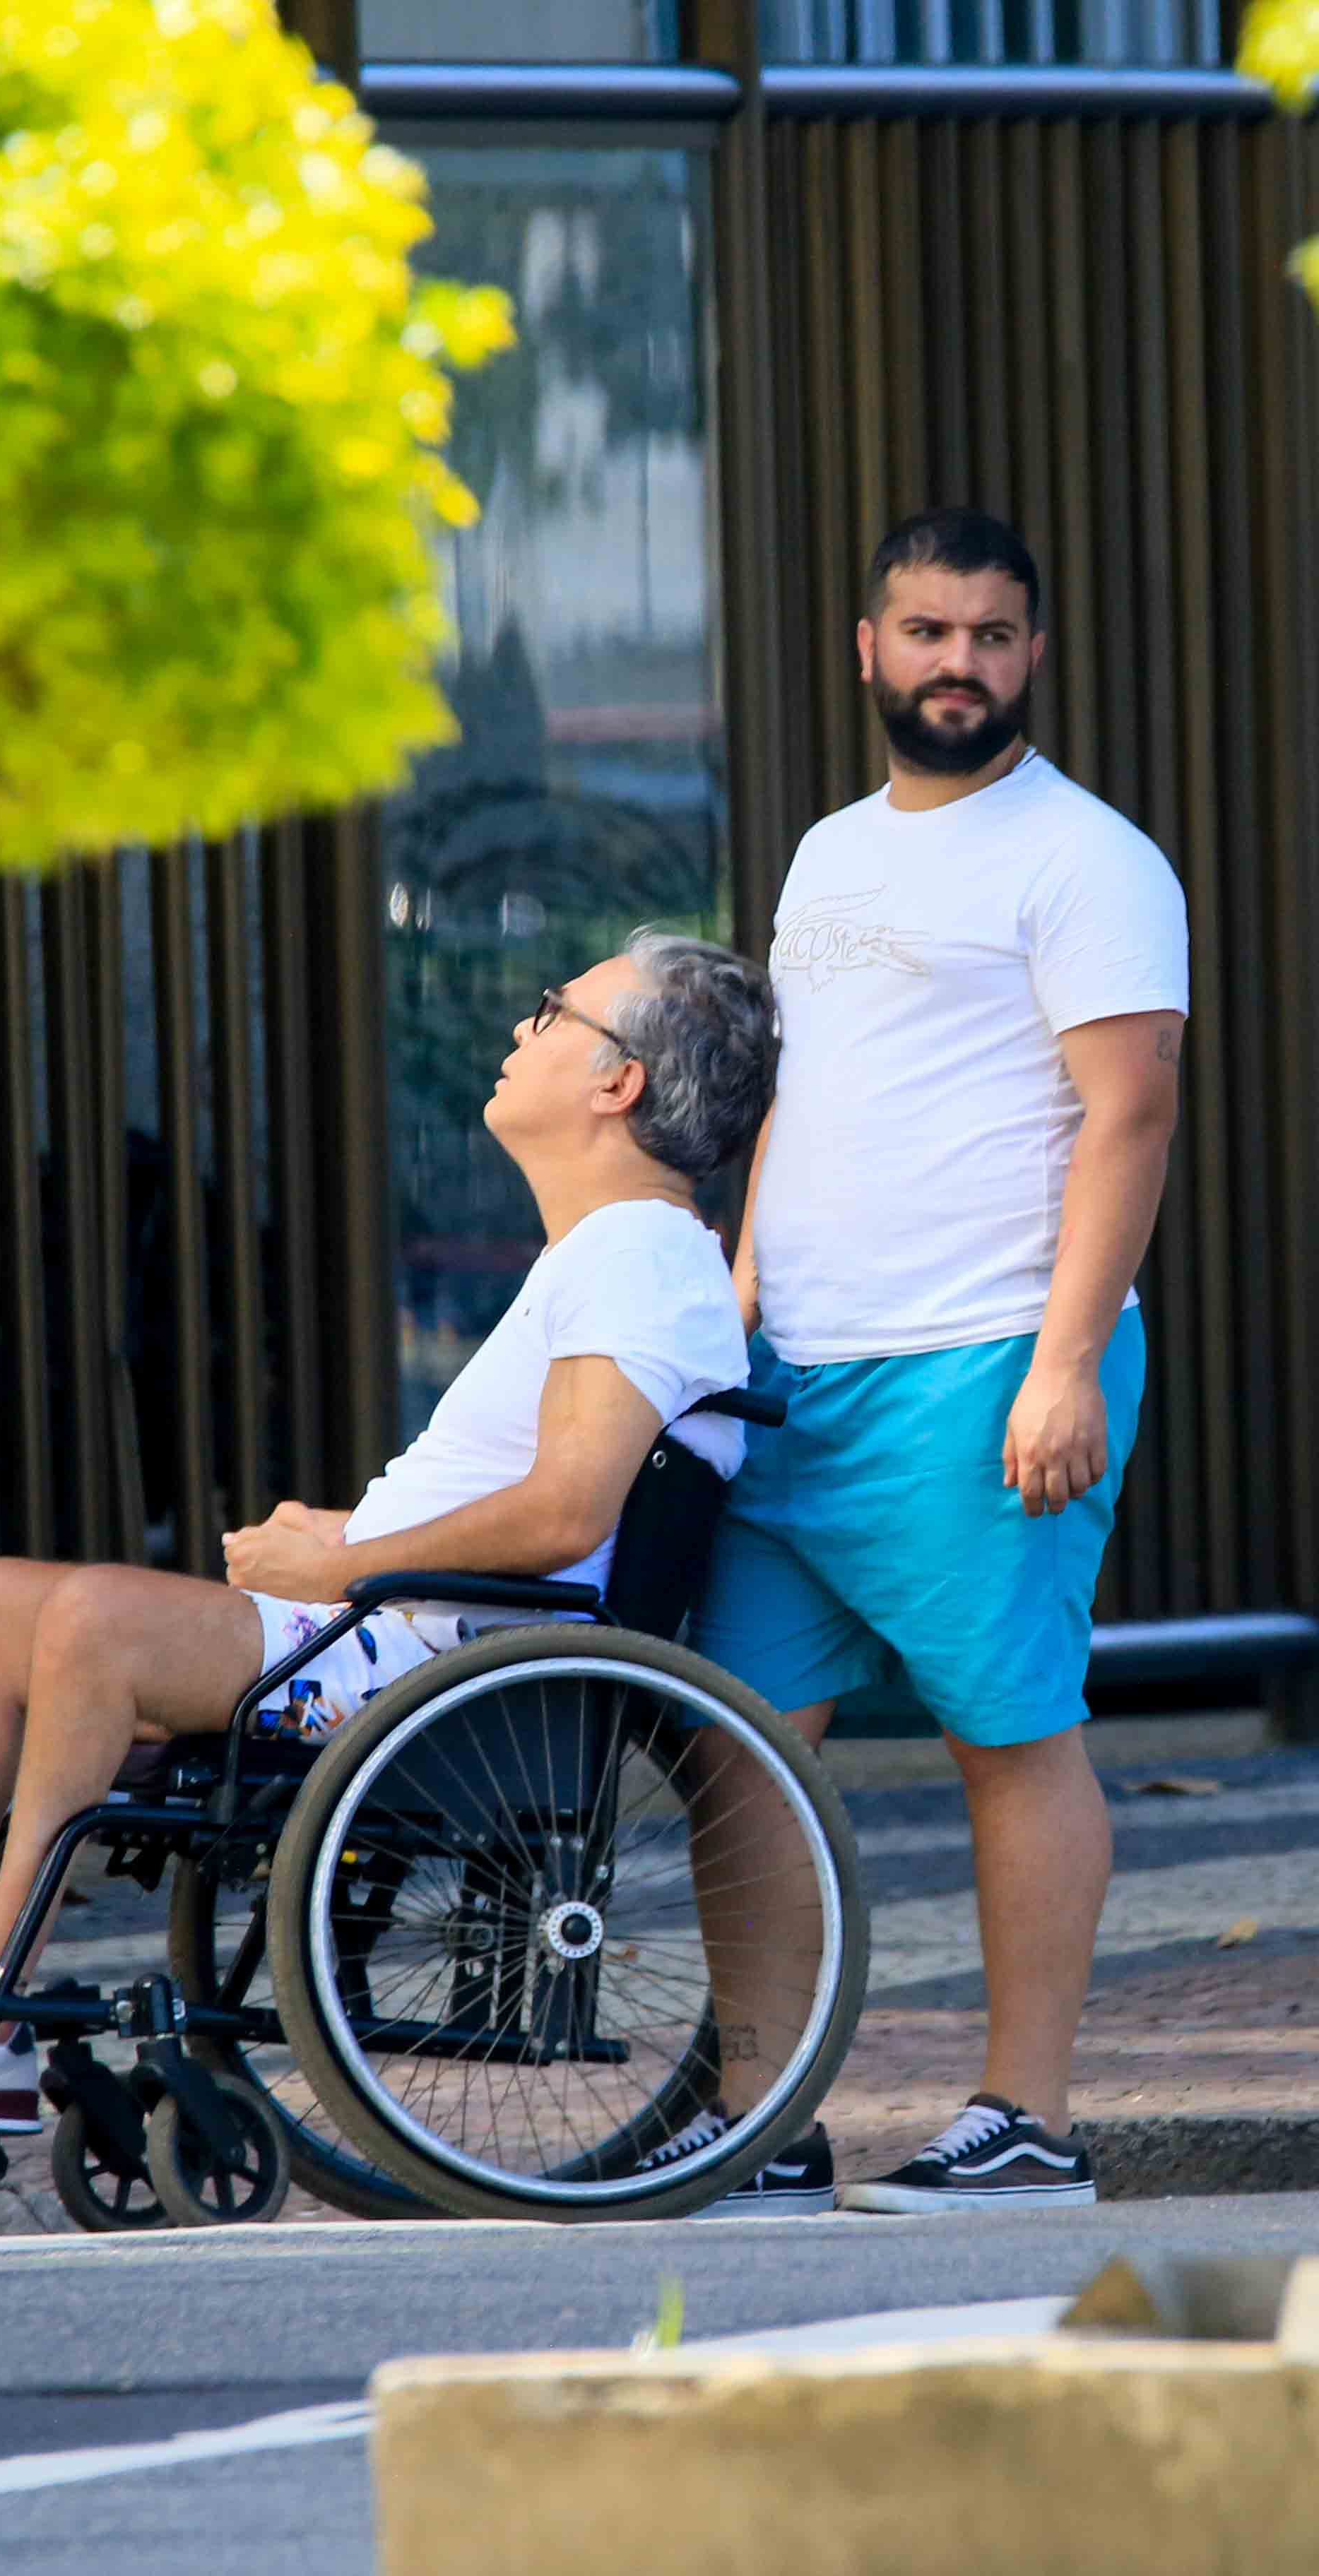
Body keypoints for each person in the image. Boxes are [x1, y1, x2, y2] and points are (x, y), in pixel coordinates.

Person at [0, 932, 783, 2176]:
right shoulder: (611, 1255)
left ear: (619, 1083)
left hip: (440, 1664)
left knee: (93, 1622)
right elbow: (546, 1501)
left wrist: (343, 1566)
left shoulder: (639, 1255)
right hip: (411, 1627)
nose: (522, 1031)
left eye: (553, 1013)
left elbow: (568, 1516)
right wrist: (345, 1537)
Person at [666, 507, 1190, 2214]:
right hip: (802, 1377)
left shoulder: (1087, 859)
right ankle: (761, 2119)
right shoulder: (826, 854)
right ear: (868, 647)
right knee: (740, 1740)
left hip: (982, 1373)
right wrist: (739, 1285)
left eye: (987, 635)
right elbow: (801, 1097)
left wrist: (1060, 1370)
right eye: (924, 630)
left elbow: (1130, 1112)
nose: (954, 661)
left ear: (1030, 657)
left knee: (1008, 1737)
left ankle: (1023, 2120)